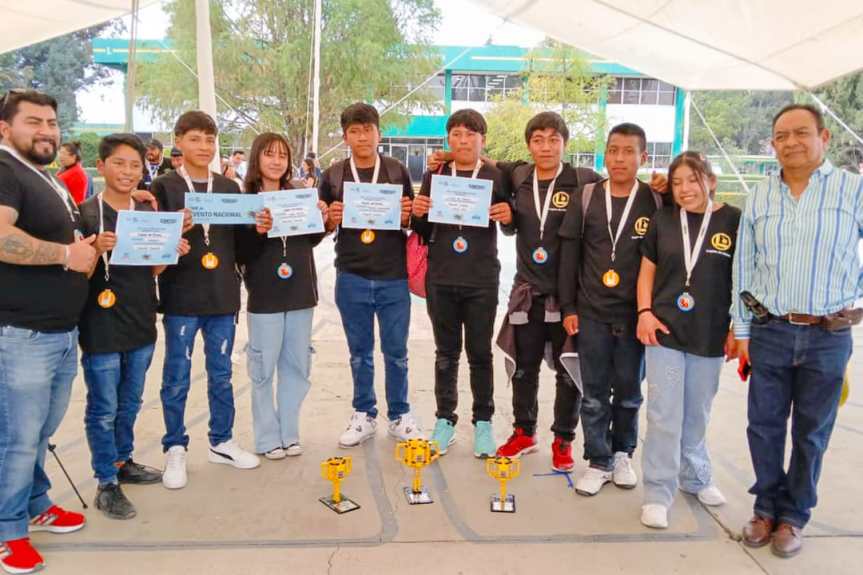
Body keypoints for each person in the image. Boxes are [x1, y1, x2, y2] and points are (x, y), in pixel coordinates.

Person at [733, 104, 863, 558]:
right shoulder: (761, 196)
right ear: (773, 144)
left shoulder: (854, 190)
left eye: (801, 133)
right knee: (763, 427)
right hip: (770, 331)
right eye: (781, 136)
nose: (790, 142)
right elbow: (744, 268)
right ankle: (766, 507)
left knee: (812, 433)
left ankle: (794, 516)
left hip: (828, 336)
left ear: (823, 138)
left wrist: (856, 302)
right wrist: (743, 328)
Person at [0, 89, 97, 575]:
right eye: (33, 121)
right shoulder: (4, 170)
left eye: (52, 122)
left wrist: (86, 244)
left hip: (58, 331)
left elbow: (63, 240)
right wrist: (65, 256)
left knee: (38, 431)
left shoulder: (43, 176)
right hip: (22, 333)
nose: (46, 130)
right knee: (16, 437)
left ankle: (36, 502)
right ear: (5, 129)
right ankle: (7, 530)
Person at [78, 133, 190, 520]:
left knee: (130, 402)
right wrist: (94, 249)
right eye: (120, 163)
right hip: (101, 325)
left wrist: (169, 249)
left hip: (142, 321)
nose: (127, 172)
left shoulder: (146, 213)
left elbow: (154, 269)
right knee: (103, 407)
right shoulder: (85, 213)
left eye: (135, 166)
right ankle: (106, 481)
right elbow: (76, 273)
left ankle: (123, 461)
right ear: (102, 164)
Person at [151, 110, 260, 490]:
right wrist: (170, 229)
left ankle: (222, 440)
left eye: (210, 140)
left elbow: (241, 244)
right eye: (195, 139)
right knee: (177, 376)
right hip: (181, 296)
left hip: (223, 296)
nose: (204, 146)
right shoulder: (165, 187)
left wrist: (260, 226)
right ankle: (175, 447)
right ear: (178, 141)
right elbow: (149, 241)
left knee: (222, 374)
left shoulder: (229, 188)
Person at [558, 122, 666, 496]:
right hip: (590, 312)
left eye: (628, 151)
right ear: (605, 153)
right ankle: (598, 460)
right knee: (593, 392)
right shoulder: (586, 197)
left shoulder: (654, 201)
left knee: (629, 391)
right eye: (613, 150)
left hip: (634, 316)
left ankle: (622, 453)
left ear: (643, 157)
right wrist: (568, 305)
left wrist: (648, 311)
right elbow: (568, 255)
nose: (619, 159)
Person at [492, 111, 601, 471]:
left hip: (568, 296)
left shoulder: (583, 180)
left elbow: (622, 189)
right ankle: (524, 431)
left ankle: (563, 438)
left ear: (565, 144)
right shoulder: (520, 175)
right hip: (527, 291)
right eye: (538, 140)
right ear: (529, 145)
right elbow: (489, 161)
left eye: (553, 139)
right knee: (524, 368)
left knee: (568, 370)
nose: (546, 146)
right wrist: (446, 156)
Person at [636, 151, 739, 529]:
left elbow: (742, 278)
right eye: (677, 183)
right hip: (664, 329)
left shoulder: (733, 220)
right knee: (664, 414)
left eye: (692, 180)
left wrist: (737, 329)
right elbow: (647, 271)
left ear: (710, 180)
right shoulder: (663, 220)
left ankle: (695, 477)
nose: (684, 189)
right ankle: (658, 493)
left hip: (710, 332)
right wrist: (644, 312)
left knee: (697, 413)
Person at [410, 108, 510, 457]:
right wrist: (418, 213)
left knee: (480, 354)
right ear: (448, 139)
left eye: (470, 134)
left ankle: (483, 422)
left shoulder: (496, 176)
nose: (463, 141)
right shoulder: (435, 173)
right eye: (456, 134)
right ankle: (444, 421)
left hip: (481, 278)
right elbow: (422, 231)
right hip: (442, 277)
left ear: (482, 139)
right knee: (446, 354)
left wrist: (508, 215)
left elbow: (511, 225)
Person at [319, 102, 419, 447]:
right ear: (346, 136)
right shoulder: (333, 174)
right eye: (355, 131)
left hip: (393, 276)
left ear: (379, 132)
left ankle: (400, 414)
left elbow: (411, 221)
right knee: (359, 352)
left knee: (396, 352)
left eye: (368, 129)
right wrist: (330, 217)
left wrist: (407, 216)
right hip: (351, 275)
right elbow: (320, 227)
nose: (362, 137)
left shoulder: (396, 170)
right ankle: (364, 414)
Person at [237, 132, 328, 459]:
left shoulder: (298, 194)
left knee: (297, 366)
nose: (276, 161)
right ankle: (266, 438)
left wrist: (321, 216)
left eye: (282, 155)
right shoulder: (245, 198)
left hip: (301, 292)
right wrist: (257, 232)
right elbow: (240, 252)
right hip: (265, 296)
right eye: (269, 154)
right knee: (262, 369)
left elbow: (311, 240)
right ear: (256, 158)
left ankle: (289, 433)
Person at [56, 141, 88, 205]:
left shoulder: (77, 173)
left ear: (73, 156)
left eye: (63, 153)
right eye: (60, 153)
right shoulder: (65, 169)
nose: (60, 156)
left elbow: (77, 201)